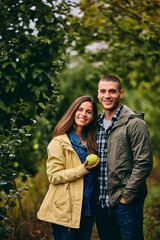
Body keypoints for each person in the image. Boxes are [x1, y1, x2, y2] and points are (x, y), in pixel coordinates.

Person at [95, 75, 153, 240]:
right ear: (98, 94)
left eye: (112, 91)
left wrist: (126, 198)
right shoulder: (94, 125)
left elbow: (144, 163)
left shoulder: (134, 124)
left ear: (121, 93)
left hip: (125, 204)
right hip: (100, 204)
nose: (107, 96)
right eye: (103, 91)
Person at [37, 95, 100, 240]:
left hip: (88, 209)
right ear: (73, 112)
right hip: (66, 209)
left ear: (93, 116)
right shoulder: (59, 142)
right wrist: (83, 169)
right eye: (80, 109)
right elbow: (53, 176)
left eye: (88, 112)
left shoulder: (92, 141)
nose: (83, 114)